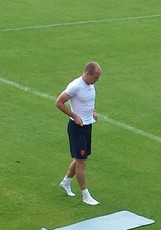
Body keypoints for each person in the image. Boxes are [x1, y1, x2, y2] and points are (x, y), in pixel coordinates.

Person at [55, 61, 102, 205]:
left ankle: (66, 182)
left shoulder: (90, 85)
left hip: (87, 126)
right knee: (81, 162)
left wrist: (93, 111)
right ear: (87, 73)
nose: (97, 80)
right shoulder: (75, 86)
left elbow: (89, 101)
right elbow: (59, 102)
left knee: (81, 158)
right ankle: (85, 195)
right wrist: (74, 116)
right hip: (77, 128)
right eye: (95, 77)